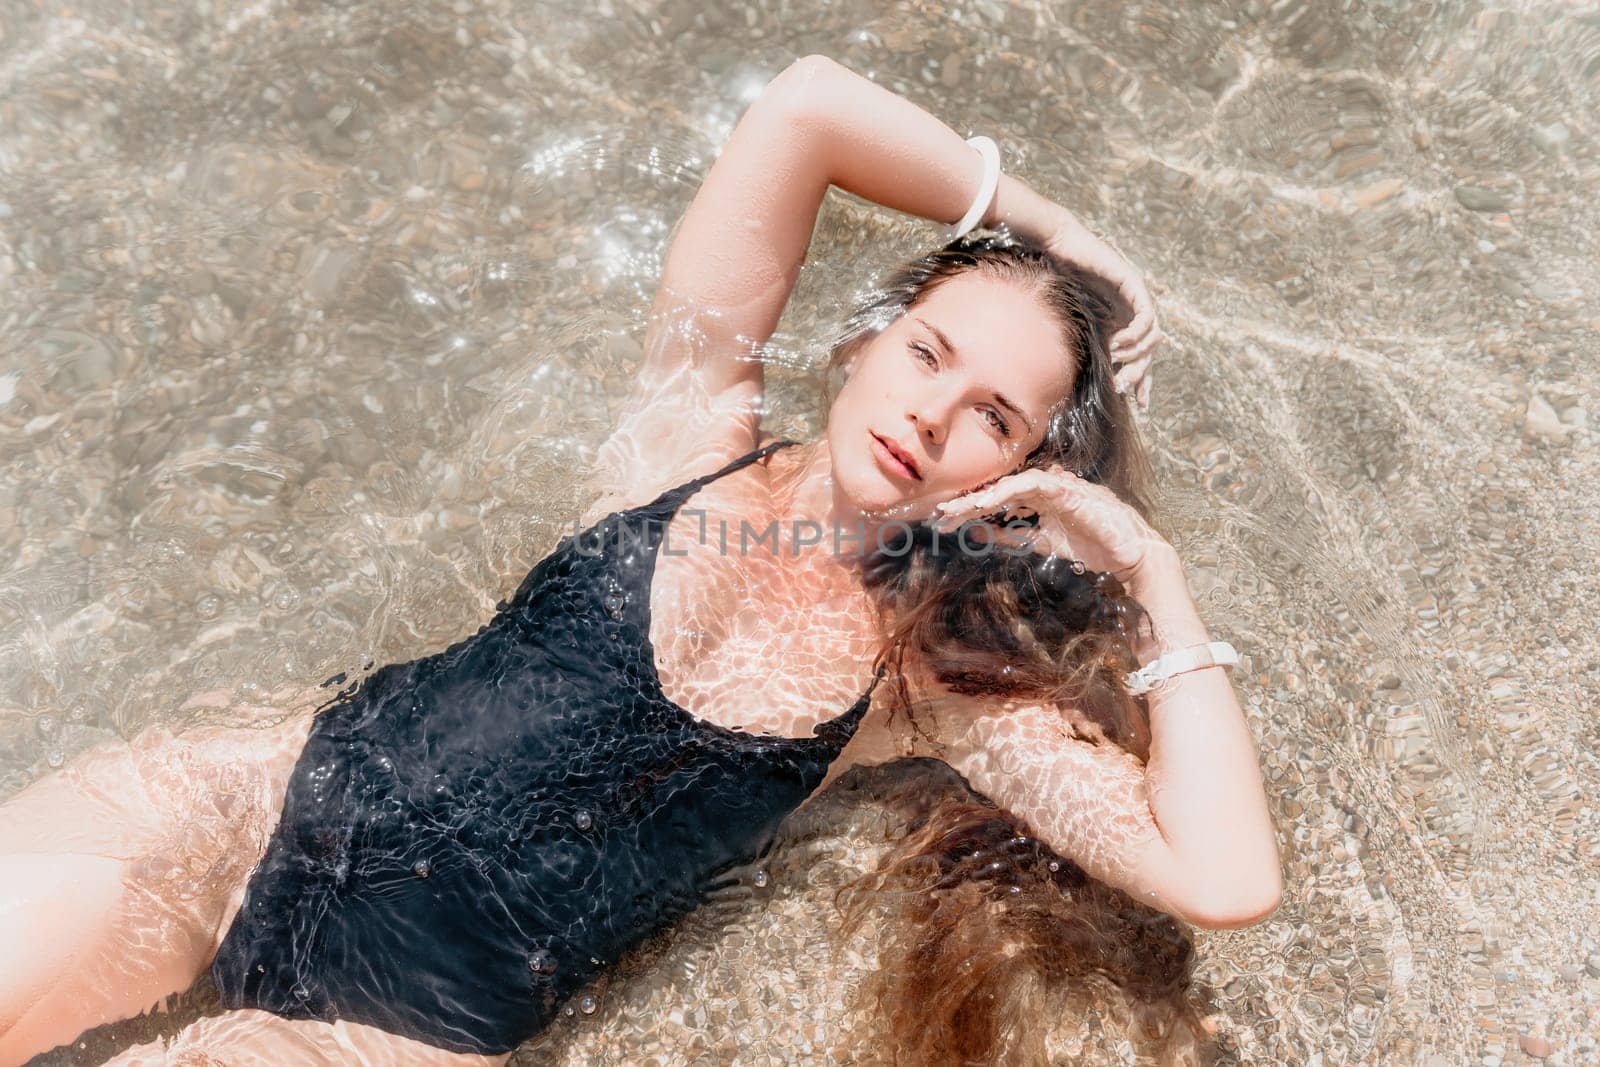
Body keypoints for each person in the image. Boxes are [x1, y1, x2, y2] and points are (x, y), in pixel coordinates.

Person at [0, 54, 1279, 1066]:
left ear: (1014, 477)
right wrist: (1055, 232)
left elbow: (1221, 877)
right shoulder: (688, 437)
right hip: (245, 810)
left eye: (993, 416)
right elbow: (806, 108)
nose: (934, 415)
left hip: (396, 1021)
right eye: (929, 353)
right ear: (860, 349)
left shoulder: (926, 683)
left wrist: (1151, 575)